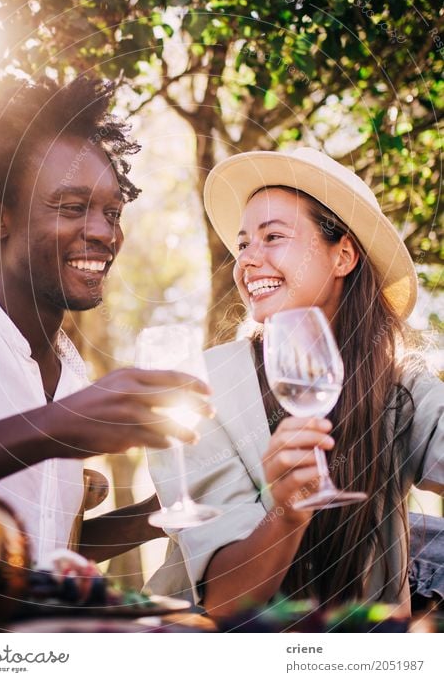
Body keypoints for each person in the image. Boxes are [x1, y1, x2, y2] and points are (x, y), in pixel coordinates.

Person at [0, 77, 210, 566]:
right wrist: (55, 428)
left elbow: (42, 551)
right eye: (73, 208)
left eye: (112, 212)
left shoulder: (75, 383)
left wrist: (155, 513)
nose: (103, 233)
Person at [147, 146, 443, 619]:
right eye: (243, 244)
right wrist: (285, 513)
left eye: (273, 237)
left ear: (342, 255)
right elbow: (225, 603)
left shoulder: (399, 382)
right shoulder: (199, 386)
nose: (247, 260)